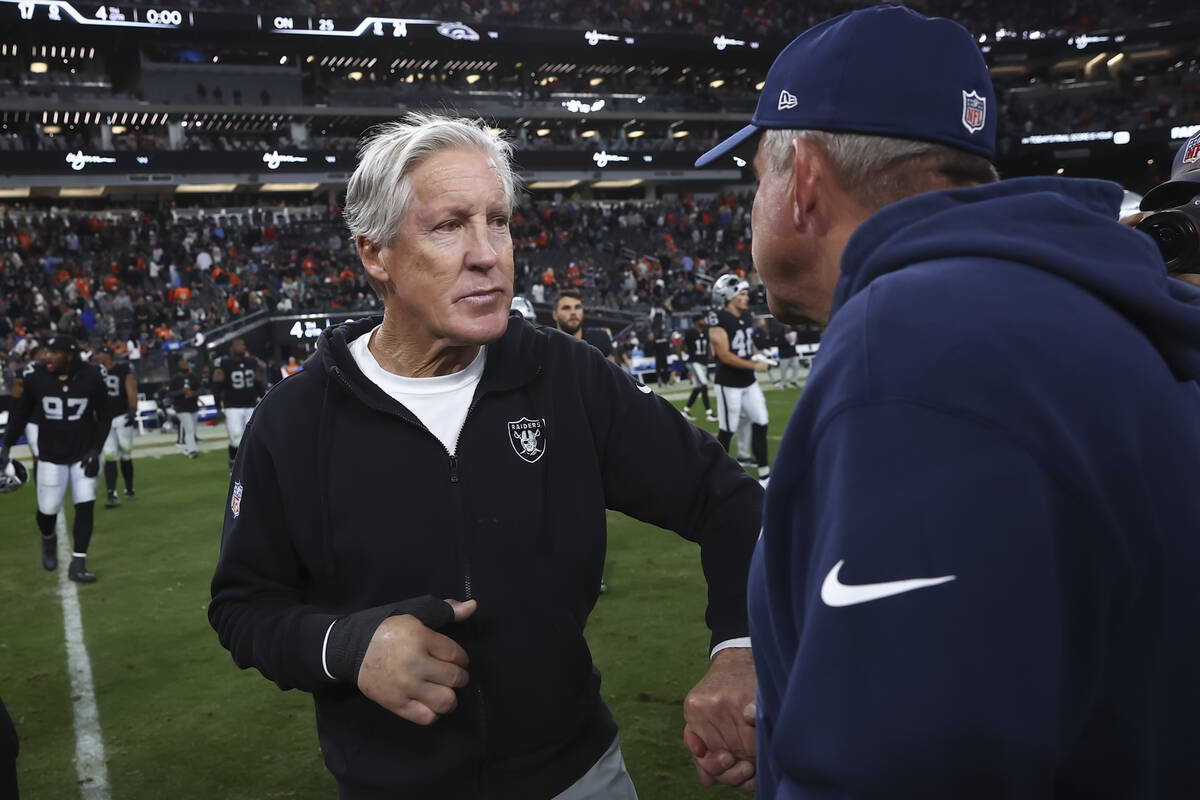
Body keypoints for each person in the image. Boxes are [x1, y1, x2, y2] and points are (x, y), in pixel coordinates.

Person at [696, 5, 1200, 796]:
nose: (749, 206)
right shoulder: (1062, 307)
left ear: (802, 183)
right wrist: (808, 695)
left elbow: (909, 767)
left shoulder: (913, 344)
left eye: (755, 174)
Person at [209, 113, 762, 799]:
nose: (487, 253)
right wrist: (347, 648)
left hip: (580, 776)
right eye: (449, 225)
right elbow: (243, 604)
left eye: (497, 221)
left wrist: (738, 649)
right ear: (374, 253)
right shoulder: (294, 421)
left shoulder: (567, 378)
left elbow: (730, 500)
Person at [0, 334, 112, 582]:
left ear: (69, 355)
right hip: (51, 454)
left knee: (86, 504)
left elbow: (105, 415)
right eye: (47, 351)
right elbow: (21, 413)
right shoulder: (36, 376)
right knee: (47, 511)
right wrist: (6, 445)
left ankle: (78, 563)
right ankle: (48, 538)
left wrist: (96, 449)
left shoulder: (92, 376)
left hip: (83, 452)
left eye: (54, 352)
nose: (47, 356)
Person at [707, 275, 771, 486]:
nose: (746, 297)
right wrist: (756, 365)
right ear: (729, 296)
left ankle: (764, 476)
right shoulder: (718, 318)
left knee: (761, 422)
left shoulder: (746, 316)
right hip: (729, 384)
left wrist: (758, 355)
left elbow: (746, 343)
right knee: (727, 430)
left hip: (748, 382)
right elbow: (724, 355)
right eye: (742, 294)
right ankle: (714, 475)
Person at [92, 348, 138, 507]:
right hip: (104, 419)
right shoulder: (94, 372)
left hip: (121, 415)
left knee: (126, 453)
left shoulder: (121, 369)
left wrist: (133, 409)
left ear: (108, 355)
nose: (97, 356)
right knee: (109, 455)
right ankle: (111, 493)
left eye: (100, 353)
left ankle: (129, 488)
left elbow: (131, 388)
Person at [211, 338, 265, 470]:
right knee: (236, 439)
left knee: (253, 438)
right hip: (233, 407)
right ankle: (233, 464)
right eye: (239, 345)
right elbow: (217, 387)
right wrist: (218, 408)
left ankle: (250, 465)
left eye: (243, 344)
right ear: (231, 348)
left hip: (251, 405)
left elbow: (259, 384)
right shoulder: (224, 363)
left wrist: (265, 400)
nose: (242, 347)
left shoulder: (252, 362)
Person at [551, 288, 614, 358]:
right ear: (555, 315)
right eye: (566, 308)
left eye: (577, 307)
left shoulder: (600, 338)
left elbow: (612, 365)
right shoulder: (546, 345)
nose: (573, 312)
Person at [679, 314, 717, 422]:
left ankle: (685, 411)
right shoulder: (690, 332)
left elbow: (708, 344)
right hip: (694, 362)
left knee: (698, 387)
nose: (703, 321)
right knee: (704, 385)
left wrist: (710, 354)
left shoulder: (705, 331)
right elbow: (681, 345)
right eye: (701, 319)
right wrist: (684, 353)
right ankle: (709, 413)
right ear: (696, 321)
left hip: (703, 362)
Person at [167, 361, 200, 459]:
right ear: (178, 366)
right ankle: (192, 451)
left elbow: (201, 389)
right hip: (181, 408)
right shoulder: (175, 379)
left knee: (192, 430)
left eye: (186, 364)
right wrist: (181, 392)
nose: (185, 366)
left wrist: (193, 393)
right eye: (183, 364)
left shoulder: (193, 377)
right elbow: (170, 394)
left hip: (193, 407)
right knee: (189, 428)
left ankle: (188, 448)